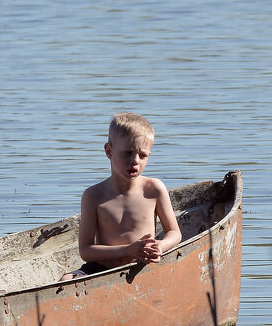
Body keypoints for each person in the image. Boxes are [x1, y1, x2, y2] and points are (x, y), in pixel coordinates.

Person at [62, 112, 182, 280]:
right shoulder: (93, 195)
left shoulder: (154, 189)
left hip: (143, 265)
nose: (135, 160)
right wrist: (127, 250)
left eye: (143, 155)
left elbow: (174, 232)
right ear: (109, 151)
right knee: (66, 280)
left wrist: (161, 246)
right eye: (127, 152)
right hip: (101, 268)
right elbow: (86, 251)